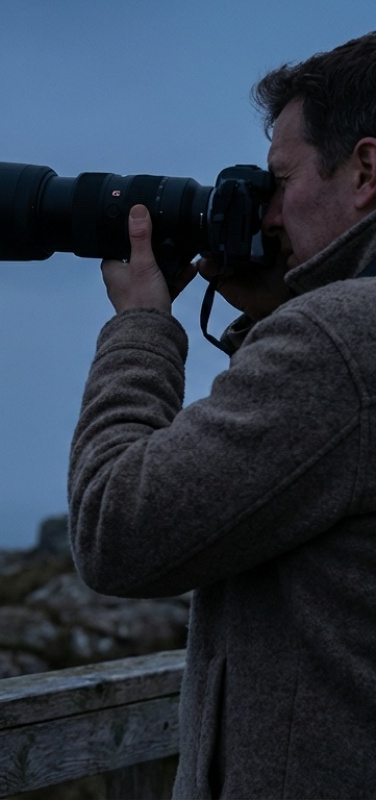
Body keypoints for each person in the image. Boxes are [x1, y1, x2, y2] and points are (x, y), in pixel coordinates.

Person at [68, 31, 376, 799]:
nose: (267, 214)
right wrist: (280, 308)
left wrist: (142, 325)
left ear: (366, 170)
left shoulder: (340, 343)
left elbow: (116, 529)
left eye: (281, 180)